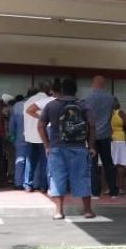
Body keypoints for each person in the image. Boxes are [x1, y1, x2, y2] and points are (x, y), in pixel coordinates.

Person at [38, 78, 96, 220]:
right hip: (79, 147)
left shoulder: (51, 106)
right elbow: (92, 125)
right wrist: (91, 145)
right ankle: (87, 210)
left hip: (57, 147)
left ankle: (59, 211)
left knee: (57, 177)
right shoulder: (83, 105)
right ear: (76, 90)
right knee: (82, 177)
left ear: (61, 90)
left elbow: (40, 126)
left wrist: (47, 145)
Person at [83, 75, 121, 198]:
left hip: (91, 135)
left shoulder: (87, 99)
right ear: (103, 84)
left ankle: (95, 191)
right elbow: (115, 109)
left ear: (93, 83)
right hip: (105, 134)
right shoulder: (111, 99)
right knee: (108, 163)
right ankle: (113, 190)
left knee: (92, 164)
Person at [23, 82, 54, 192]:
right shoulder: (48, 101)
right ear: (48, 89)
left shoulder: (28, 101)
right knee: (45, 162)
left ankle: (27, 184)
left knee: (30, 161)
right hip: (43, 136)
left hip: (29, 135)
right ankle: (43, 185)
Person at [10, 87, 35, 189]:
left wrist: (13, 135)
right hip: (34, 137)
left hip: (20, 136)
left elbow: (12, 125)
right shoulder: (37, 106)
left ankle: (18, 182)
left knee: (20, 159)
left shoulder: (17, 105)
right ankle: (28, 183)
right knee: (31, 160)